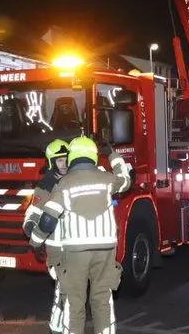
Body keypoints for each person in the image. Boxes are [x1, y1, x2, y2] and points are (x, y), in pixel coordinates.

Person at [30, 136, 132, 334]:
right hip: (105, 250)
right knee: (102, 299)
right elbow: (126, 180)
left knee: (74, 302)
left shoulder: (65, 184)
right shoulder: (107, 179)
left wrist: (35, 241)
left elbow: (48, 219)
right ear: (93, 156)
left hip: (76, 251)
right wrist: (113, 155)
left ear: (72, 157)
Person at [22, 139, 70, 334]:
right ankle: (57, 330)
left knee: (70, 295)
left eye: (66, 159)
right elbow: (32, 215)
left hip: (77, 249)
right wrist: (33, 234)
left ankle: (59, 329)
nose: (64, 164)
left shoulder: (76, 181)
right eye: (60, 161)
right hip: (57, 251)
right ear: (51, 163)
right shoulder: (45, 187)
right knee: (65, 294)